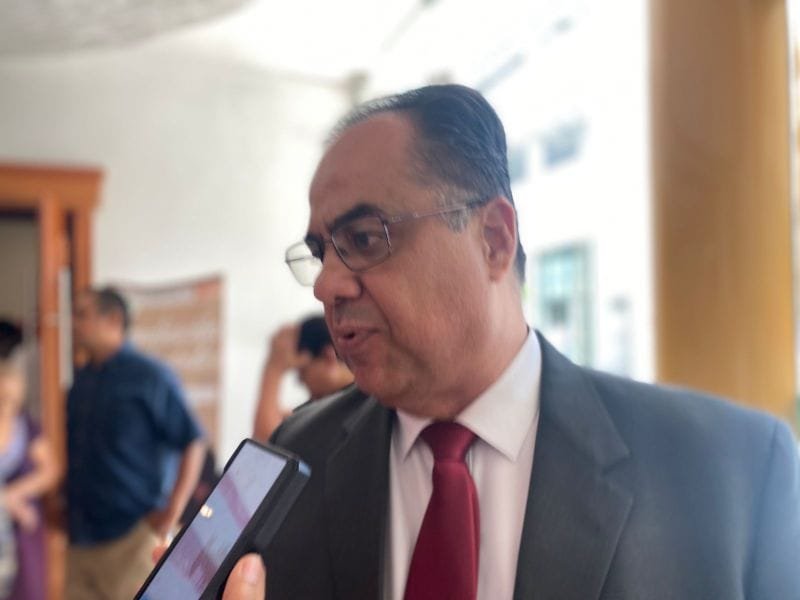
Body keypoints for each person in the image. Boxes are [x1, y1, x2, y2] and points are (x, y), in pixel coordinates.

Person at [217, 84, 799, 599]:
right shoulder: (299, 451)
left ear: (494, 240)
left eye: (365, 239)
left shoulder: (732, 472)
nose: (326, 285)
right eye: (320, 253)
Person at [66, 287, 206, 600]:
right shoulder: (82, 380)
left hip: (132, 538)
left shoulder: (150, 376)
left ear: (113, 319)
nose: (74, 324)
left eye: (82, 315)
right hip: (80, 539)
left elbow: (193, 441)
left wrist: (172, 513)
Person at [0, 321, 59, 600]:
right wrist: (5, 501)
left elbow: (50, 471)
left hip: (21, 536)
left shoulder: (27, 426)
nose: (5, 406)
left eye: (10, 400)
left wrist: (13, 494)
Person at [252, 315, 354, 441]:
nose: (300, 381)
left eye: (303, 371)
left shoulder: (356, 406)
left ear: (328, 357)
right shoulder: (331, 405)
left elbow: (266, 445)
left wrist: (274, 368)